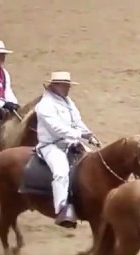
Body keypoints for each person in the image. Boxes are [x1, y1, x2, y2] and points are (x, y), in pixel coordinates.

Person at [34, 72, 93, 228]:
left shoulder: (68, 102)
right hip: (51, 145)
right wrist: (79, 134)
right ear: (54, 85)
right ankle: (62, 210)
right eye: (64, 85)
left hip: (71, 142)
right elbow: (56, 129)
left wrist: (89, 135)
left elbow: (77, 122)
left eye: (68, 86)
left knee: (93, 161)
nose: (67, 89)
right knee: (61, 172)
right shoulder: (44, 105)